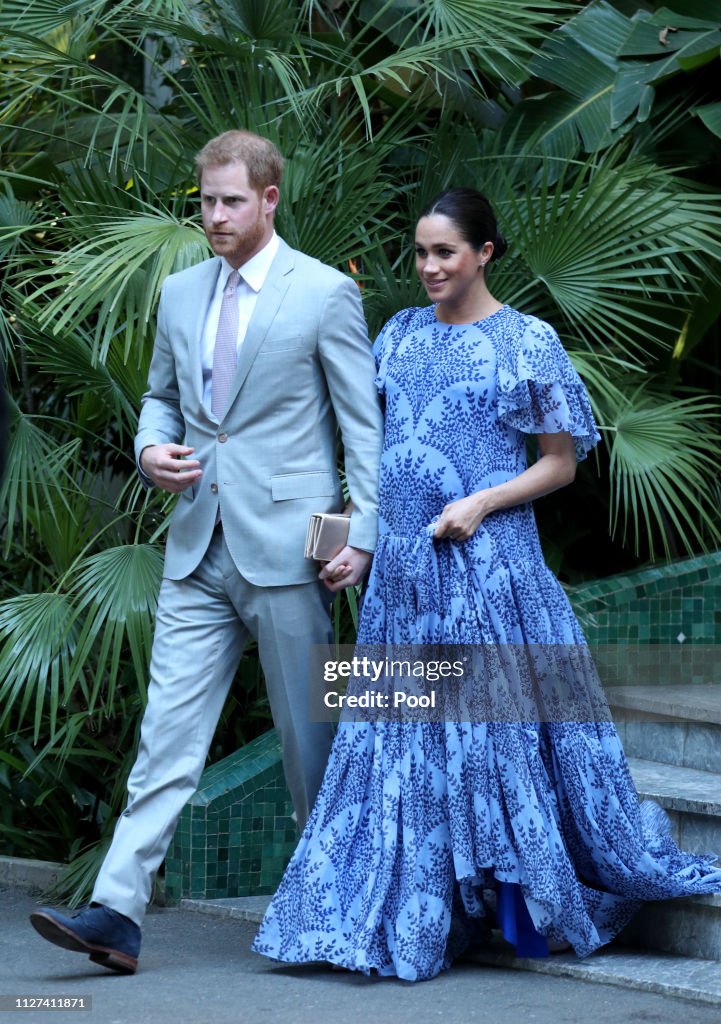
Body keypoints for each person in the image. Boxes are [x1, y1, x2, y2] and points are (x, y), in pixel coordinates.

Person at [252, 188, 721, 981]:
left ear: (484, 254)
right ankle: (413, 908)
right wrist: (346, 547)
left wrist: (480, 501)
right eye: (420, 252)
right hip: (401, 583)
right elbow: (368, 463)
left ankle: (524, 914)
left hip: (488, 575)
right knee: (400, 752)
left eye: (445, 252)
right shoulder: (395, 336)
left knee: (494, 751)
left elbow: (561, 460)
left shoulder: (524, 342)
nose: (429, 267)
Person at [29, 130, 384, 973]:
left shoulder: (325, 293)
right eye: (205, 201)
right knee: (165, 739)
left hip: (293, 553)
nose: (215, 216)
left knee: (310, 744)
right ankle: (117, 911)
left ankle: (332, 906)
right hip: (194, 546)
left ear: (269, 198)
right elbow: (159, 399)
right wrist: (153, 451)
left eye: (231, 201)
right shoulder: (181, 292)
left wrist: (362, 533)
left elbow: (361, 430)